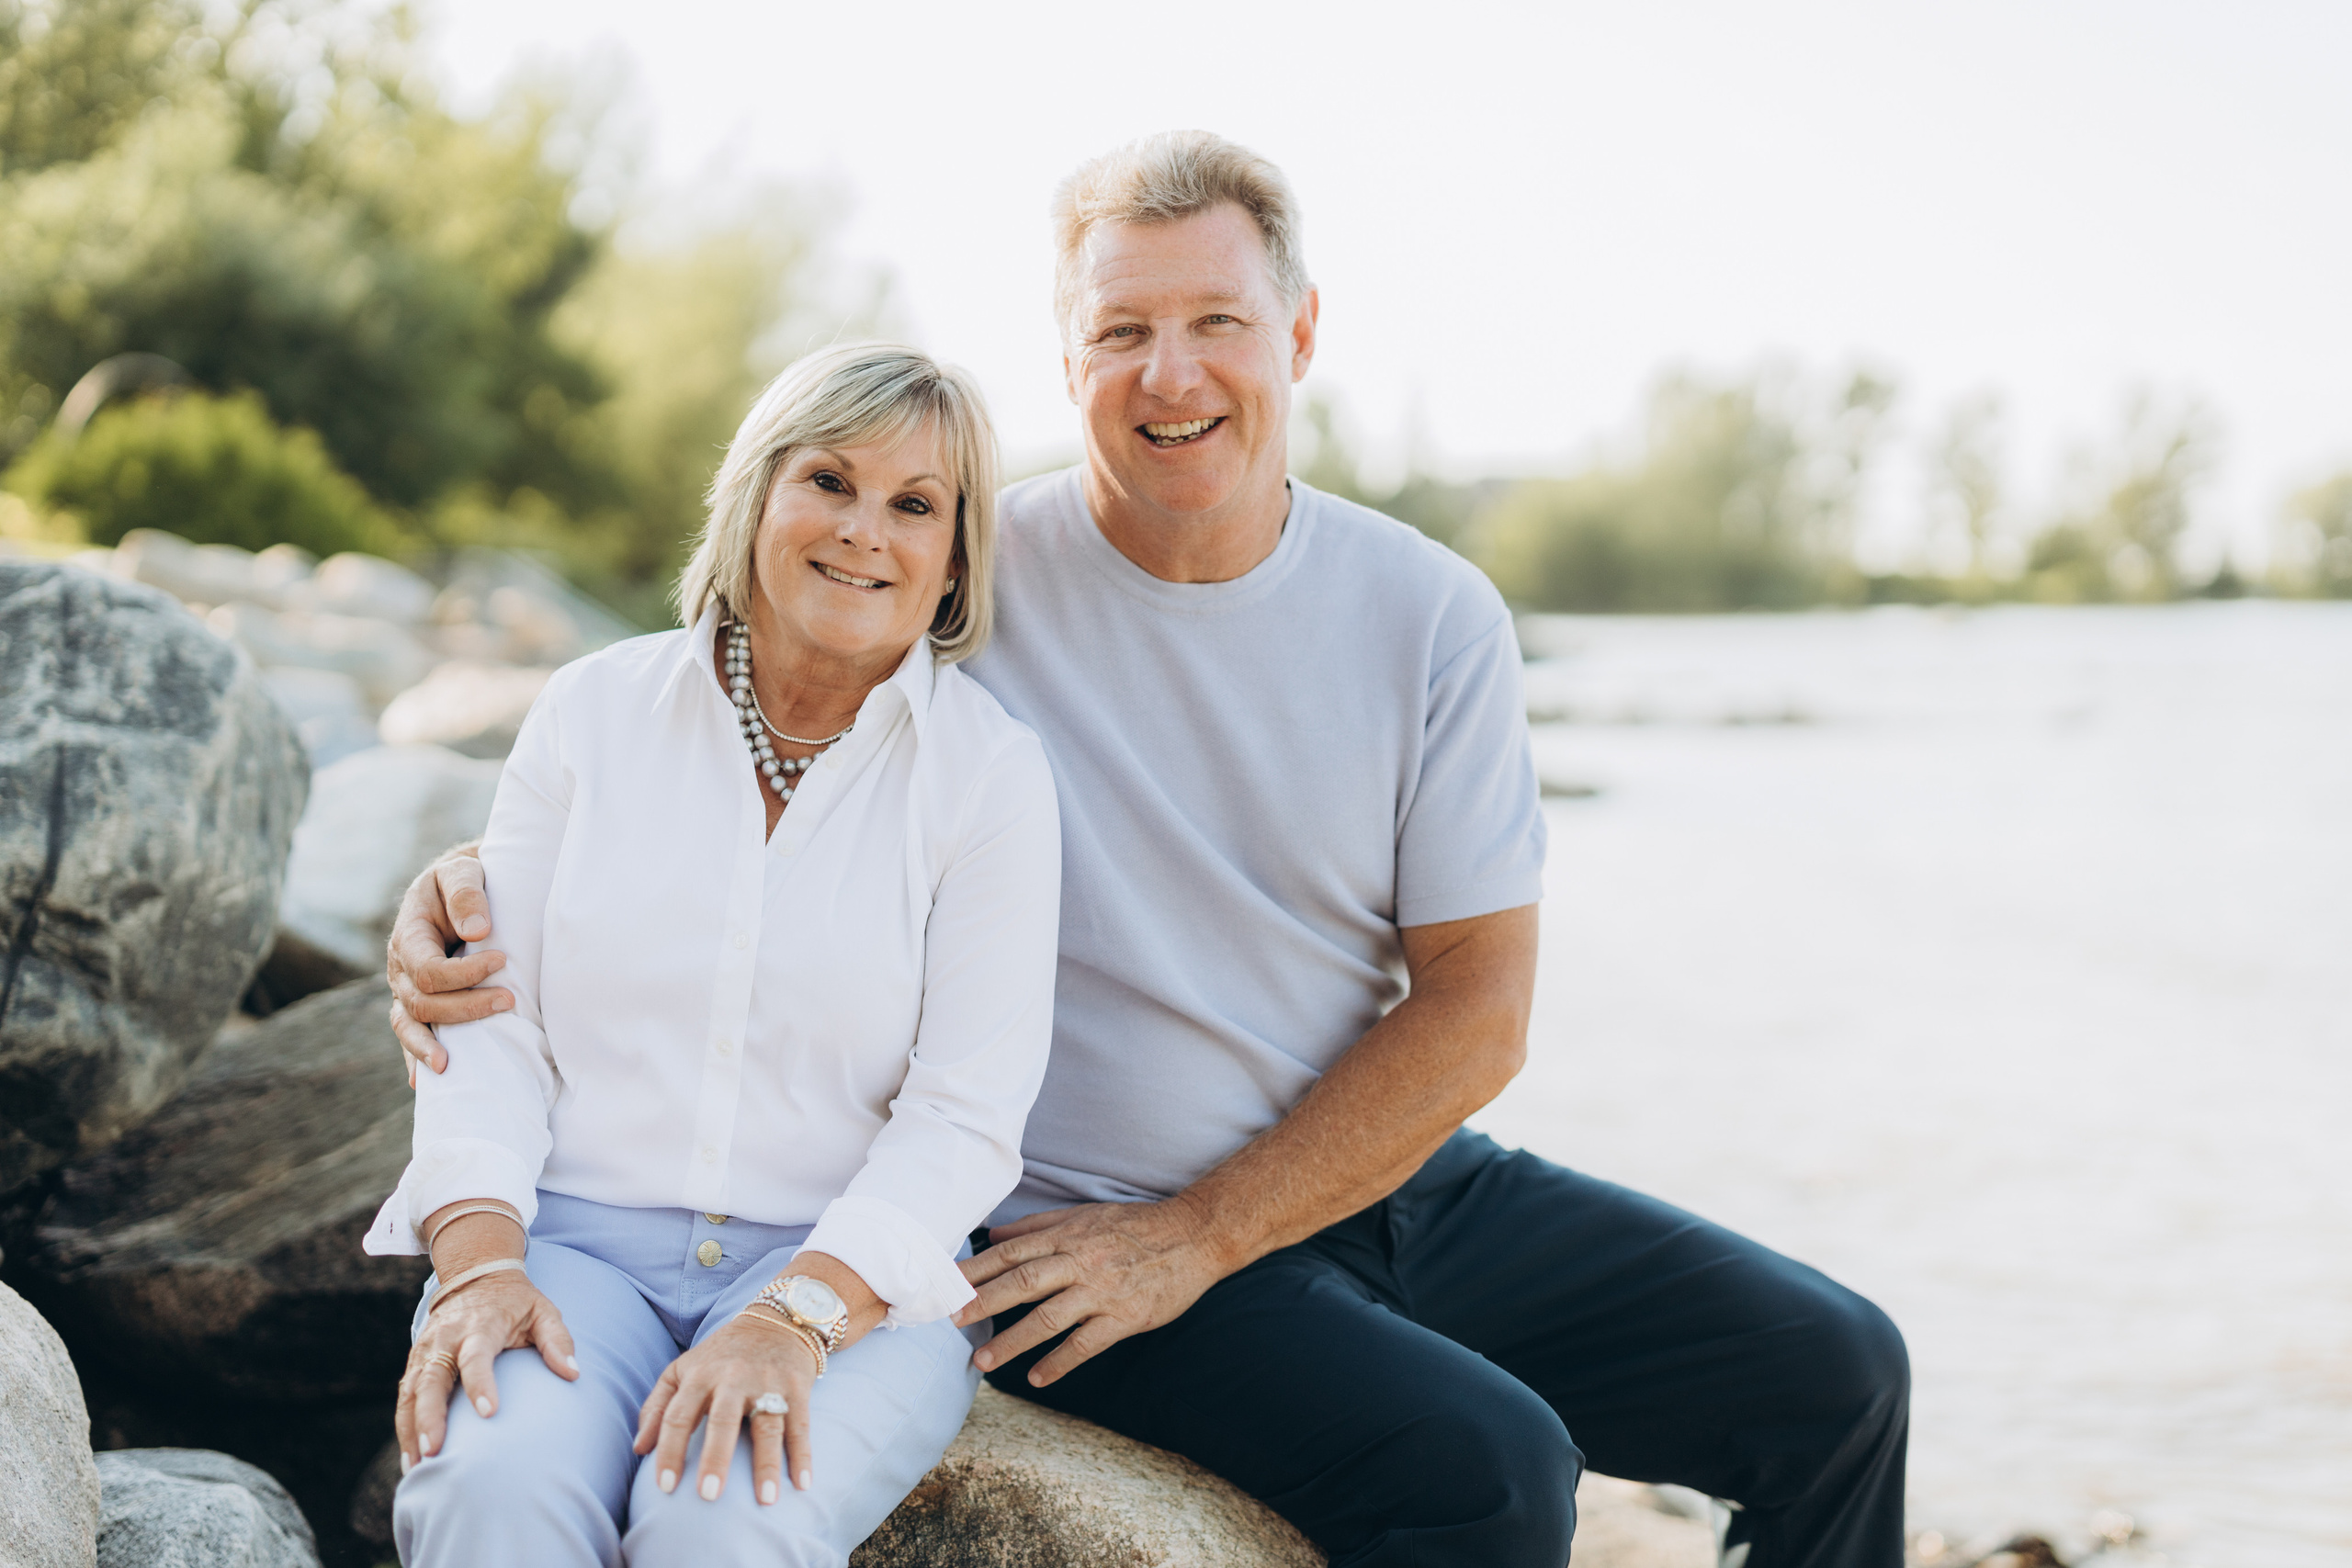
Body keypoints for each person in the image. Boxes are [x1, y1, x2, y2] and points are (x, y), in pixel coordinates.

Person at [388, 133, 1909, 1567]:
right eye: (1122, 333)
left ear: (1300, 333)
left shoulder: (1429, 613)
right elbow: (738, 727)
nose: (1170, 375)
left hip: (1368, 1184)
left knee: (1841, 1376)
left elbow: (1478, 1006)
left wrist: (1204, 1235)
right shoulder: (959, 567)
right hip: (1082, 1231)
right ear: (1069, 361)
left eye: (1217, 323)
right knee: (1495, 1469)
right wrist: (469, 886)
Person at [366, 343, 1061, 1567]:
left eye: (916, 505)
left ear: (954, 562)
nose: (864, 532)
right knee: (493, 1489)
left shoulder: (990, 781)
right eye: (829, 481)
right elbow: (485, 1018)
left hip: (849, 1275)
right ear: (755, 494)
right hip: (574, 1242)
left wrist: (793, 1318)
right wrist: (478, 1265)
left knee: (718, 1522)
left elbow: (965, 1115)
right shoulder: (592, 715)